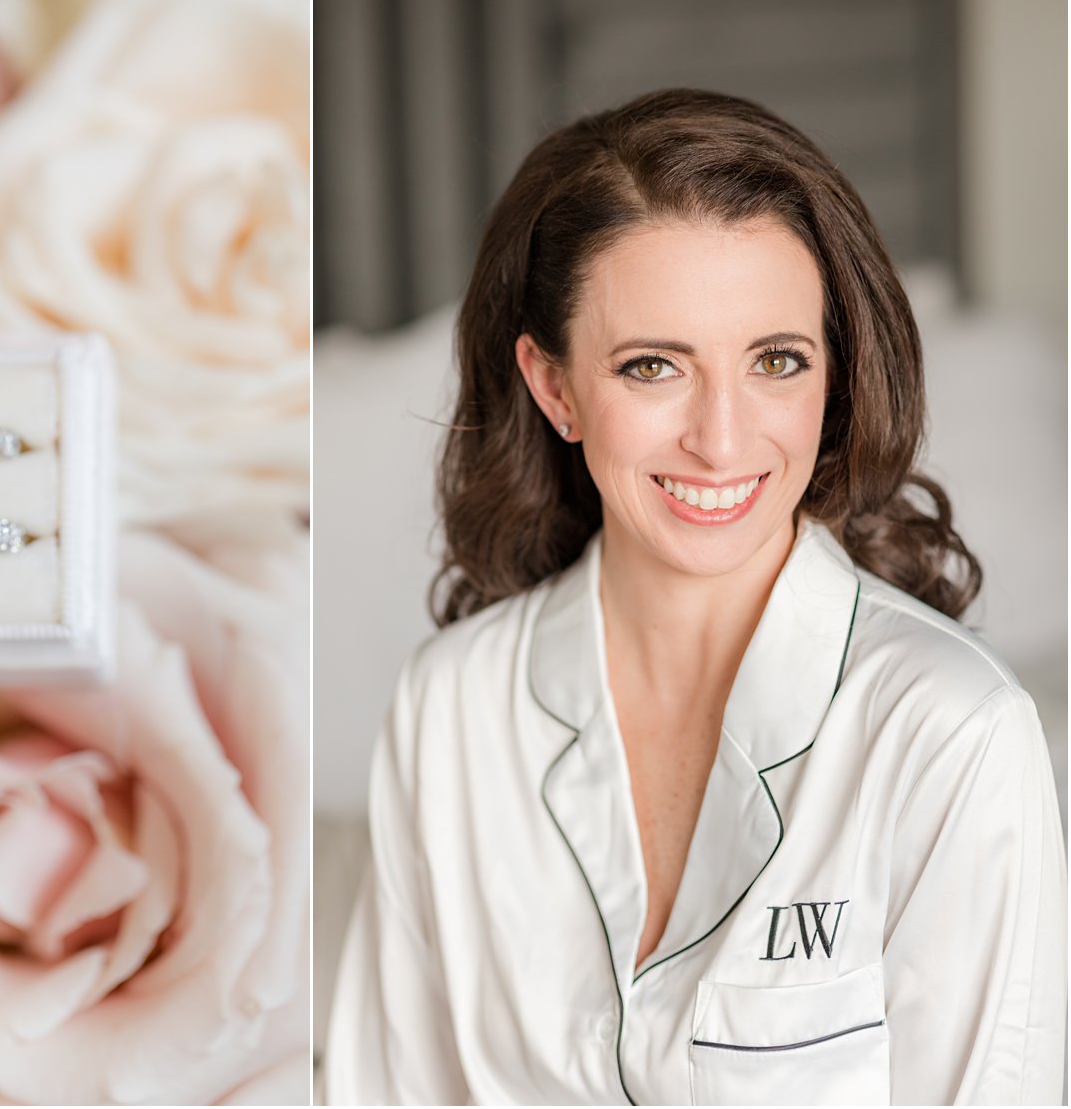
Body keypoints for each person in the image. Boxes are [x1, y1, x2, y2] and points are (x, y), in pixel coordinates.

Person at [322, 89, 1065, 1106]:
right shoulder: (448, 708)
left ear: (833, 373)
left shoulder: (948, 735)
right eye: (651, 366)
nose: (720, 438)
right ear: (554, 387)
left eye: (774, 360)